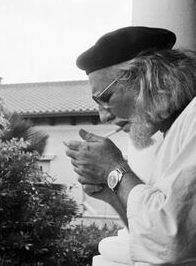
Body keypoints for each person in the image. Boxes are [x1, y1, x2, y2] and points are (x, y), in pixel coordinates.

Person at [64, 26, 196, 265]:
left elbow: (172, 242)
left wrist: (114, 168)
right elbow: (150, 243)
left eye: (105, 98)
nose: (103, 116)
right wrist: (111, 191)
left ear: (149, 78)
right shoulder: (175, 130)